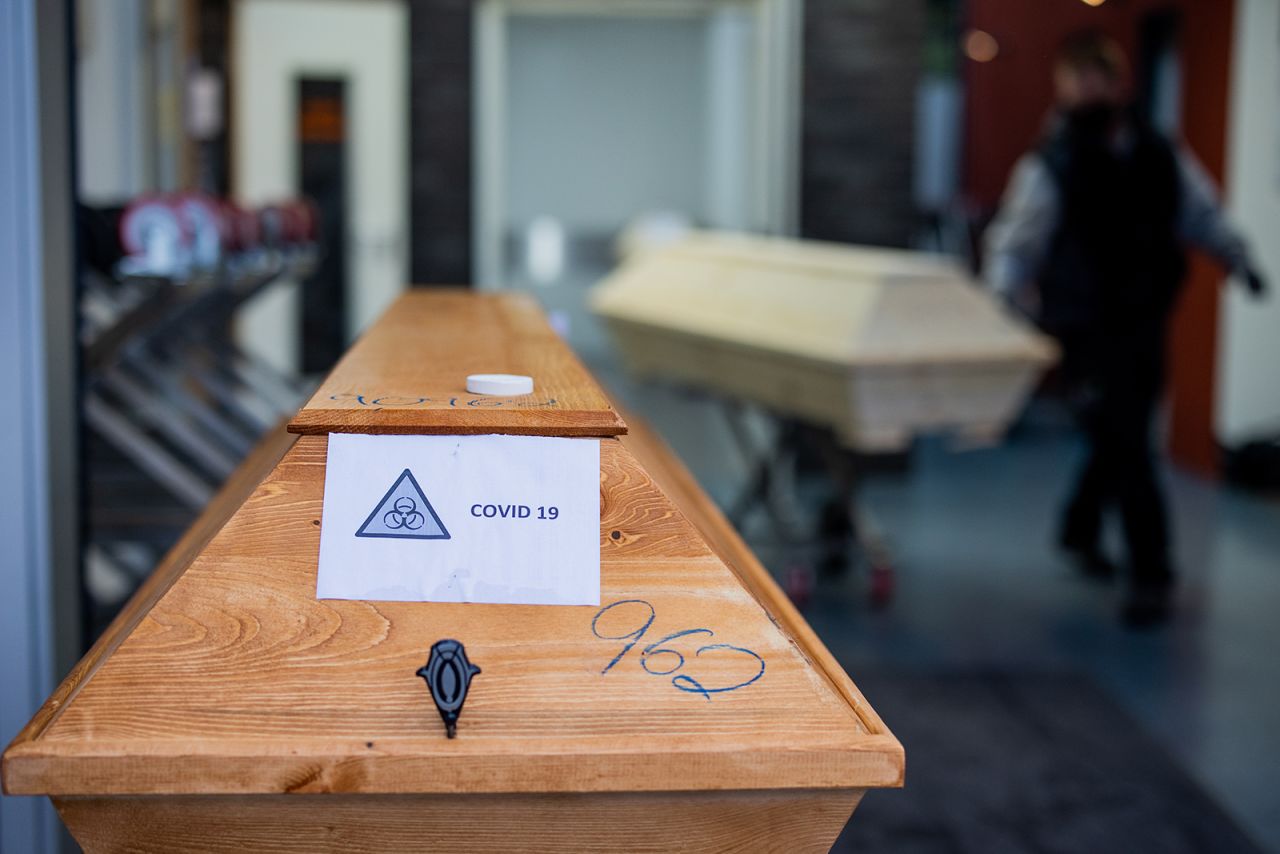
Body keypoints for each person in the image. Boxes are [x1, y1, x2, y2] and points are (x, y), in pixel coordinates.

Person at [983, 30, 1268, 626]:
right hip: (1085, 327)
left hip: (1145, 320)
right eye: (1077, 79)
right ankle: (1151, 572)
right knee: (1129, 441)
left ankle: (1078, 529)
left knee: (1122, 433)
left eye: (1099, 77)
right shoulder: (1050, 164)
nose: (1090, 89)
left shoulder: (1158, 152)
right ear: (1063, 87)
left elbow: (1200, 211)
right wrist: (1001, 308)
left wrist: (1240, 260)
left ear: (1119, 82)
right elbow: (1016, 242)